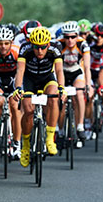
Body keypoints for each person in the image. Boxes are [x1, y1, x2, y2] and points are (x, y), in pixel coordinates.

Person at [13, 27, 65, 166]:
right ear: (31, 44)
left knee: (54, 98)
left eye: (43, 47)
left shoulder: (55, 49)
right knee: (28, 110)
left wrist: (62, 88)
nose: (40, 51)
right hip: (29, 80)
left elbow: (59, 70)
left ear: (48, 44)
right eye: (36, 47)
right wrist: (18, 88)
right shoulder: (25, 49)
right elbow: (20, 70)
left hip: (47, 78)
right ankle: (25, 146)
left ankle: (49, 138)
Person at [57, 21, 92, 148]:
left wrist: (88, 85)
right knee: (61, 101)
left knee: (79, 93)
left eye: (73, 37)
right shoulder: (59, 44)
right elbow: (55, 68)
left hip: (77, 71)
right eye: (67, 37)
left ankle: (80, 126)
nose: (70, 40)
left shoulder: (83, 44)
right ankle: (60, 131)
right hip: (63, 73)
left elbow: (87, 66)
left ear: (77, 36)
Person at [0, 25, 23, 159]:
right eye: (0, 44)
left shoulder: (17, 51)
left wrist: (18, 88)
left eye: (6, 43)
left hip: (13, 81)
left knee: (15, 107)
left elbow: (21, 72)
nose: (3, 47)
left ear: (11, 43)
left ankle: (16, 142)